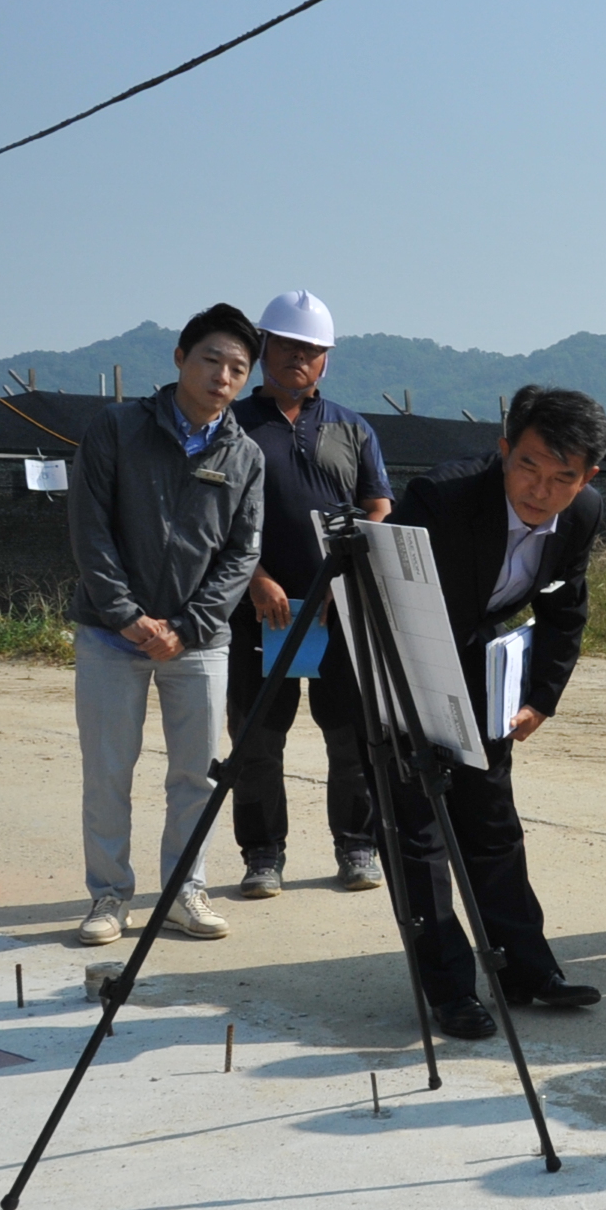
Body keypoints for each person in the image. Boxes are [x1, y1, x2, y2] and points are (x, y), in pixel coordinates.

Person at [388, 385, 606, 1039]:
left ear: (588, 478)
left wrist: (541, 698)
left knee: (492, 822)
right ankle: (450, 990)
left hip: (482, 665)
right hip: (396, 664)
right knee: (419, 836)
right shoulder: (441, 498)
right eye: (528, 467)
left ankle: (526, 972)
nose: (541, 490)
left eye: (563, 478)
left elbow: (565, 607)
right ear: (505, 449)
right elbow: (387, 602)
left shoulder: (583, 513)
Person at [69, 304, 265, 946]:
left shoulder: (245, 455)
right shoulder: (117, 428)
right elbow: (90, 529)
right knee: (108, 772)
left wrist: (189, 625)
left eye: (238, 368)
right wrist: (127, 616)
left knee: (197, 775)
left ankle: (185, 891)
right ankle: (108, 896)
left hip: (199, 642)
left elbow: (242, 553)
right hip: (110, 634)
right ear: (181, 359)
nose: (222, 377)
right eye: (211, 360)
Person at [227, 290, 393, 900]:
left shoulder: (353, 427)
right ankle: (262, 856)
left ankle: (357, 846)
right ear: (263, 348)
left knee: (351, 736)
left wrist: (341, 576)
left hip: (338, 608)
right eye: (288, 345)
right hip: (257, 610)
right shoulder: (232, 425)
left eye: (312, 349)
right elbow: (214, 516)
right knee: (256, 739)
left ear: (326, 359)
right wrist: (257, 578)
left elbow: (378, 504)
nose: (299, 357)